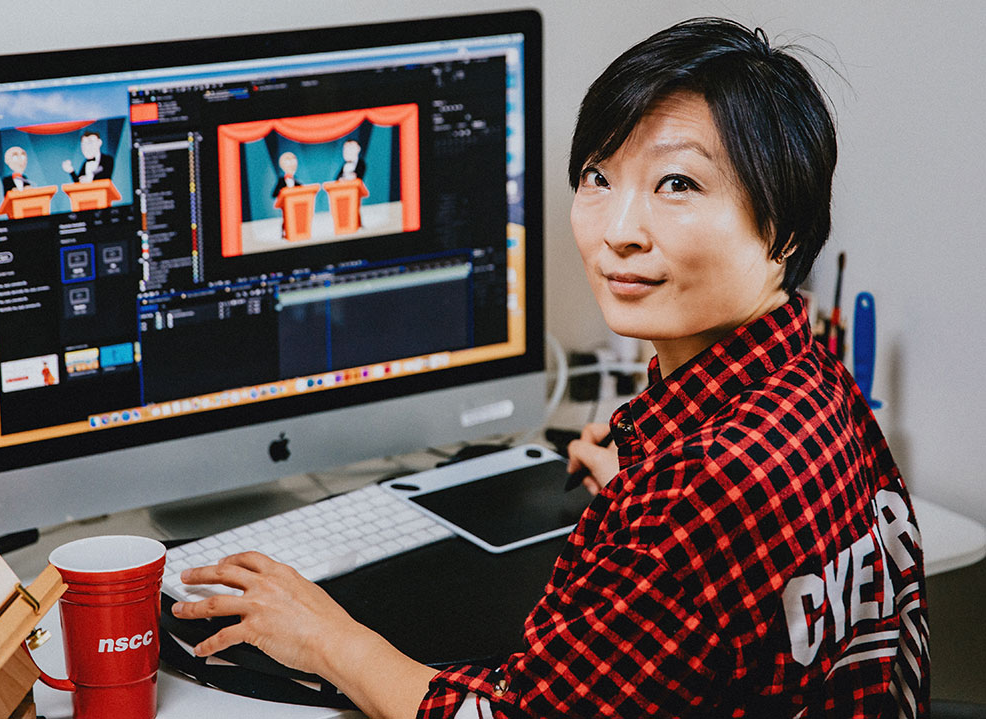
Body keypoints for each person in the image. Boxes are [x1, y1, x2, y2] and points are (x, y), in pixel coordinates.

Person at [173, 18, 929, 718]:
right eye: (599, 176)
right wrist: (644, 485)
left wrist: (326, 638)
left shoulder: (700, 496)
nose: (618, 231)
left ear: (783, 228)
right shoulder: (814, 381)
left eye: (678, 184)